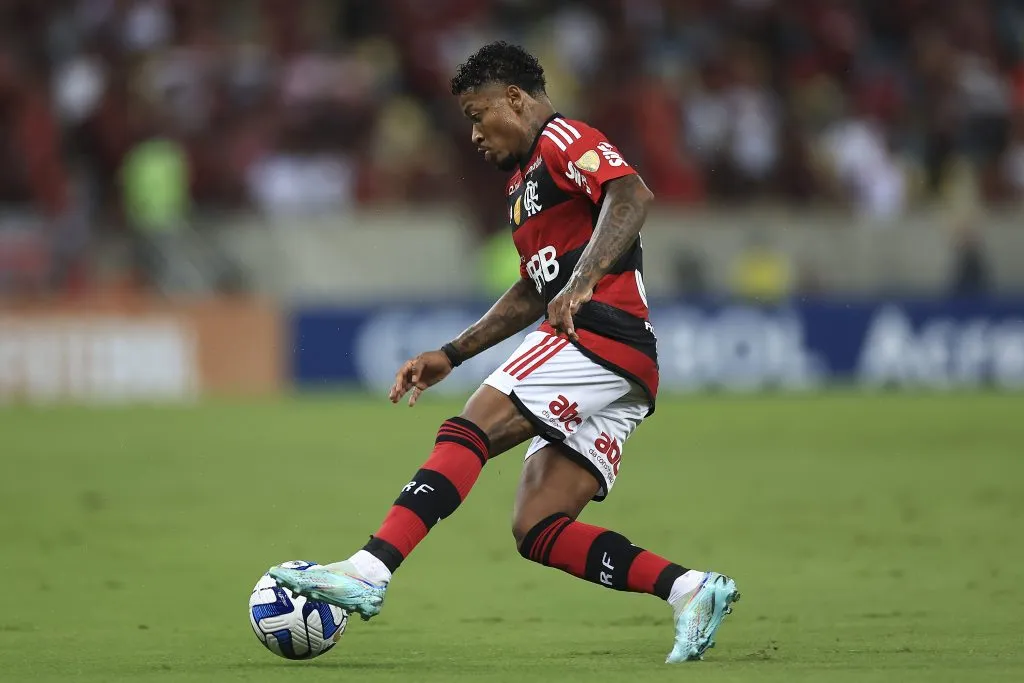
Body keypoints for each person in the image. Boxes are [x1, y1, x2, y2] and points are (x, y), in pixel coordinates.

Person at [269, 42, 739, 663]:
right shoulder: (523, 186)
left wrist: (581, 284)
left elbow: (631, 196)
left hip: (600, 332)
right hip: (623, 363)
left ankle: (368, 568)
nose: (472, 134)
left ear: (514, 99)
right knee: (538, 527)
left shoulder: (562, 138)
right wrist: (451, 353)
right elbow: (530, 290)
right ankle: (690, 590)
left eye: (476, 113)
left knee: (469, 428)